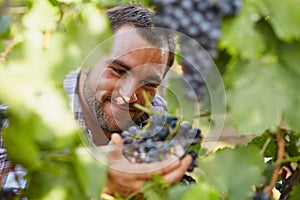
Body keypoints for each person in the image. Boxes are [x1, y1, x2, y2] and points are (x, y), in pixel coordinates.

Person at [1, 4, 193, 198]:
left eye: (149, 83)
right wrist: (101, 188)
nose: (129, 96)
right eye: (118, 71)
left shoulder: (156, 118)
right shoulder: (26, 116)